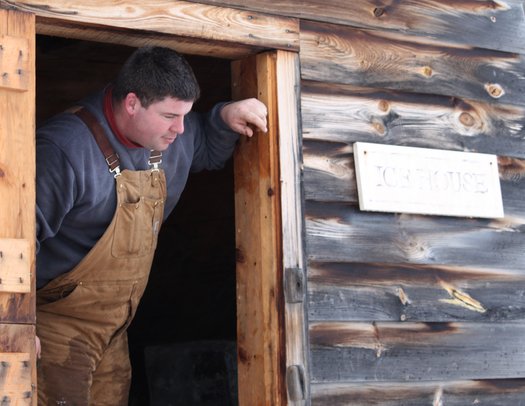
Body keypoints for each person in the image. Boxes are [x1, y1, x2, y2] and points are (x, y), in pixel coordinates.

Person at [35, 46, 267, 405]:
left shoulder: (174, 137)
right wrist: (11, 321)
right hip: (53, 329)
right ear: (131, 103)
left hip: (115, 331)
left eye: (186, 115)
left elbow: (203, 146)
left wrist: (224, 116)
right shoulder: (64, 149)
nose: (180, 128)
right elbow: (13, 237)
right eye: (169, 116)